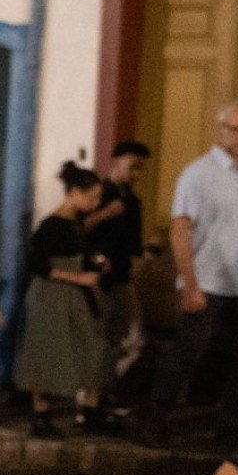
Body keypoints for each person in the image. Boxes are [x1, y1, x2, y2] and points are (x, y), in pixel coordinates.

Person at [143, 102, 238, 441]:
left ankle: (231, 424)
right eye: (236, 129)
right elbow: (180, 228)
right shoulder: (198, 173)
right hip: (206, 277)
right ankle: (155, 418)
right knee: (189, 351)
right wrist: (190, 283)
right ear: (221, 130)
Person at [16, 162, 112, 438]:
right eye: (90, 196)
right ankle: (40, 414)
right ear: (73, 193)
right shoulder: (51, 225)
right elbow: (37, 263)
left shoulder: (77, 223)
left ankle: (90, 409)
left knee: (95, 347)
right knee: (47, 352)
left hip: (75, 295)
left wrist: (97, 263)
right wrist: (76, 278)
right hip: (52, 295)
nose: (95, 203)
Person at [84, 140, 150, 388]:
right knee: (100, 336)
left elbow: (134, 242)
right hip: (98, 276)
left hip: (123, 275)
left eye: (139, 169)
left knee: (133, 340)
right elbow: (79, 229)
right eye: (131, 166)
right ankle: (91, 396)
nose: (135, 174)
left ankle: (102, 388)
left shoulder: (133, 201)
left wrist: (139, 261)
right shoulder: (97, 193)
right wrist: (105, 213)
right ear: (116, 161)